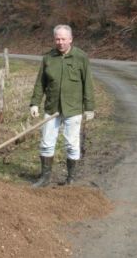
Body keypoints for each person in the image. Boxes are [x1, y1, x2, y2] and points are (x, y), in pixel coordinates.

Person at [30, 24, 95, 187]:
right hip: (52, 108)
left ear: (70, 39)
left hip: (73, 109)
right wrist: (34, 103)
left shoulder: (81, 57)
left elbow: (88, 83)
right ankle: (45, 178)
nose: (60, 42)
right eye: (57, 39)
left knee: (72, 144)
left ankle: (71, 179)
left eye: (63, 39)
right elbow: (40, 83)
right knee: (46, 142)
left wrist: (89, 107)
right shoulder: (48, 58)